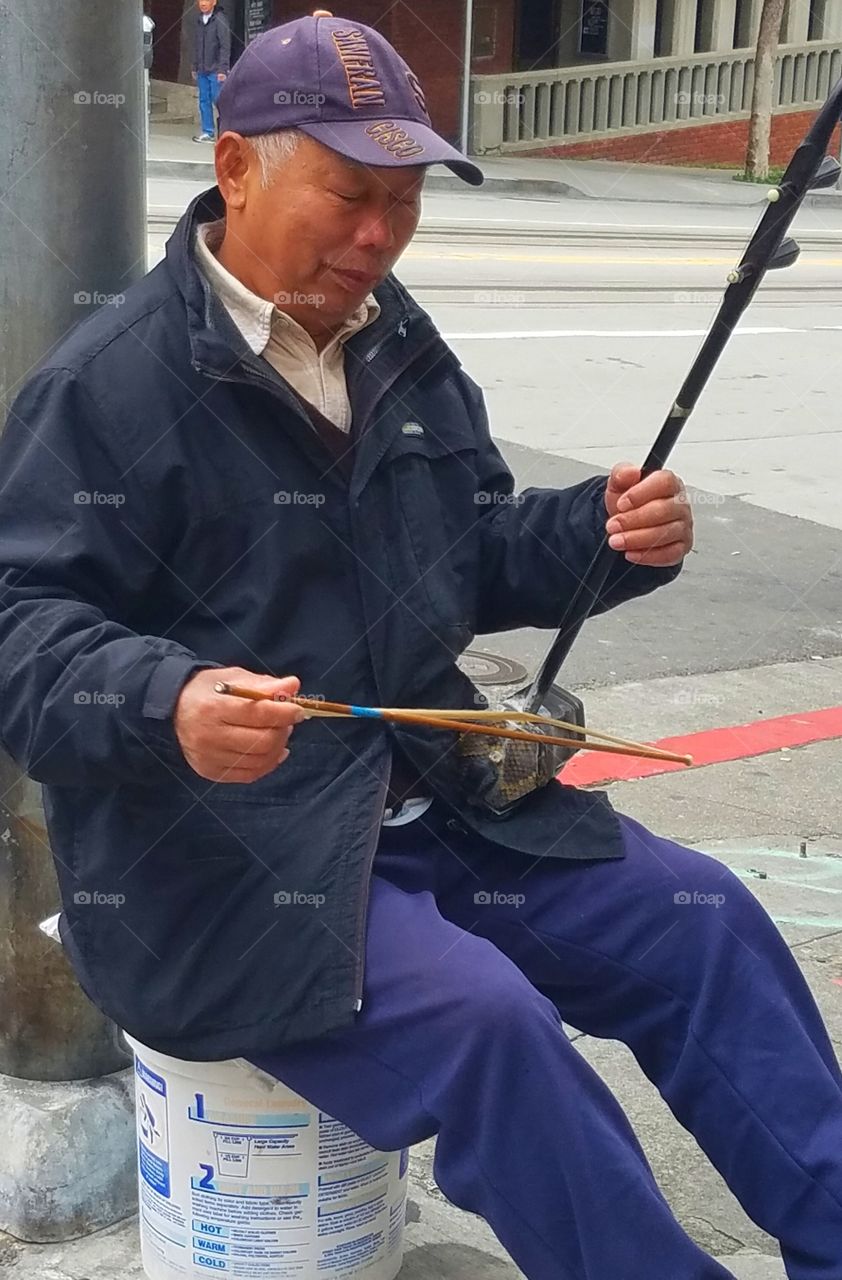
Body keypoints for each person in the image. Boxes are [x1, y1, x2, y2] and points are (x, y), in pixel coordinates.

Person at [0, 13, 839, 1279]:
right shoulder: (107, 387)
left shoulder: (397, 342)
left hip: (432, 809)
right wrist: (165, 697)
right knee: (490, 1024)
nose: (377, 237)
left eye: (402, 202)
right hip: (220, 870)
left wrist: (600, 535)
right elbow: (21, 634)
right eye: (347, 195)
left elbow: (469, 550)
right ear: (234, 168)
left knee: (701, 916)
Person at [191, 0, 229, 143]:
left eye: (207, 0)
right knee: (203, 100)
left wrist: (222, 69)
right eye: (201, 0)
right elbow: (197, 45)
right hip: (202, 68)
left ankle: (226, 130)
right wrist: (195, 66)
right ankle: (208, 131)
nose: (203, 3)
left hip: (215, 69)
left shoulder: (220, 19)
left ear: (214, 2)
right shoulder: (199, 20)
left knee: (218, 100)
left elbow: (225, 46)